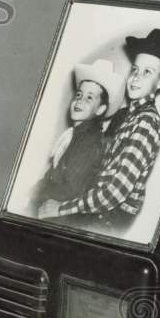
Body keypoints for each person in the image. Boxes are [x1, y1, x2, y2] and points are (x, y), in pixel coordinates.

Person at [37, 28, 160, 224]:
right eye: (135, 69)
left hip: (111, 218)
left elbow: (115, 192)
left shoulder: (146, 123)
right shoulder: (129, 116)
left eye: (147, 72)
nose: (136, 77)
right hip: (99, 208)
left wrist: (62, 208)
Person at [32, 59, 124, 215]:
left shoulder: (89, 141)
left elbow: (70, 190)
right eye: (79, 94)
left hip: (63, 215)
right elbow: (52, 176)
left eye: (89, 97)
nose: (80, 100)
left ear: (100, 109)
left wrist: (34, 197)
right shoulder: (73, 135)